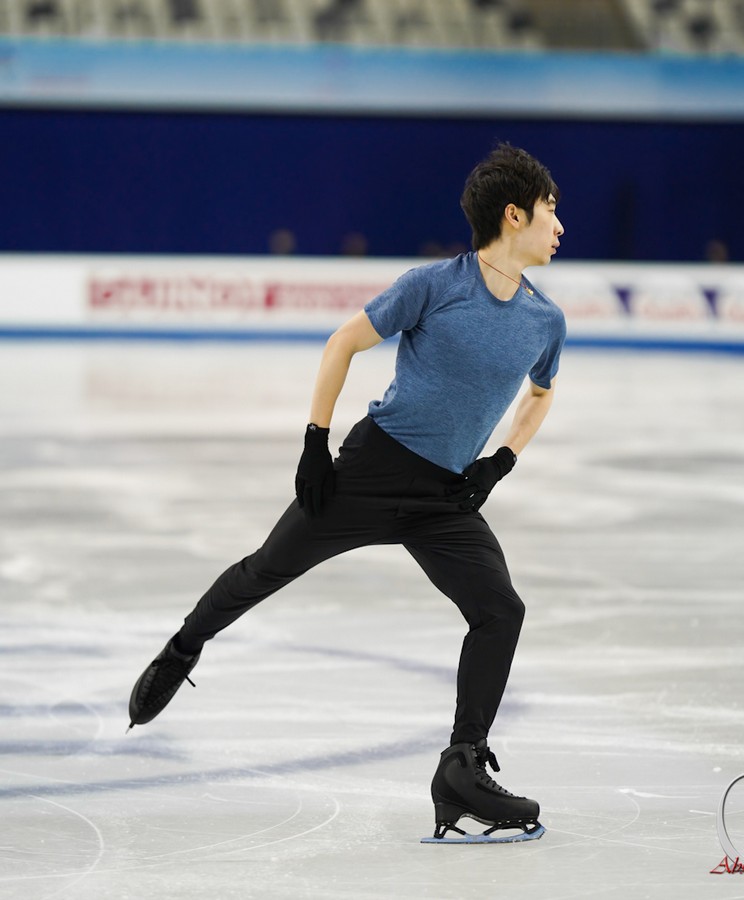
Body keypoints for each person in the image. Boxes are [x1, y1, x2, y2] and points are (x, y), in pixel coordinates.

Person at [128, 142, 566, 844]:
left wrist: (502, 461)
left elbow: (541, 394)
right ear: (514, 215)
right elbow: (342, 343)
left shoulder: (546, 320)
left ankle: (461, 765)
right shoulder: (434, 285)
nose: (559, 226)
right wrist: (315, 439)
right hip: (371, 471)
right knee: (266, 569)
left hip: (446, 497)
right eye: (550, 210)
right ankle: (183, 648)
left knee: (500, 611)